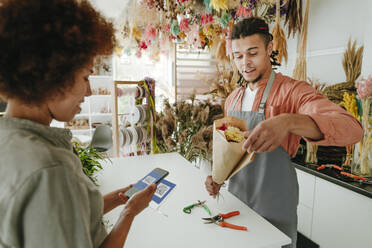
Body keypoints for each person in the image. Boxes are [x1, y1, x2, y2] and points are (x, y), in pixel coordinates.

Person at [0, 0, 156, 247]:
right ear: (53, 76)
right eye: (85, 77)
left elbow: (63, 213)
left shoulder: (9, 142)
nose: (90, 90)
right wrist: (129, 213)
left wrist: (119, 198)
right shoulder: (51, 170)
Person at [205, 17, 363, 248]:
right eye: (238, 56)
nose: (245, 63)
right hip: (237, 203)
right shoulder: (233, 99)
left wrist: (288, 121)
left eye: (253, 53)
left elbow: (352, 129)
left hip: (274, 207)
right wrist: (218, 177)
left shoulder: (292, 92)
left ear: (269, 48)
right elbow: (232, 153)